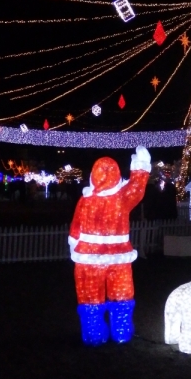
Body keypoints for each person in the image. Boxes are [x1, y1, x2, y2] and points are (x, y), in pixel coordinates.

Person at [68, 147, 151, 346]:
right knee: (121, 295)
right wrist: (140, 165)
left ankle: (95, 333)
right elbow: (137, 188)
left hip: (88, 259)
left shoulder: (85, 201)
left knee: (90, 296)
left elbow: (75, 228)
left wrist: (73, 246)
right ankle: (121, 331)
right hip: (118, 258)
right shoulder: (121, 199)